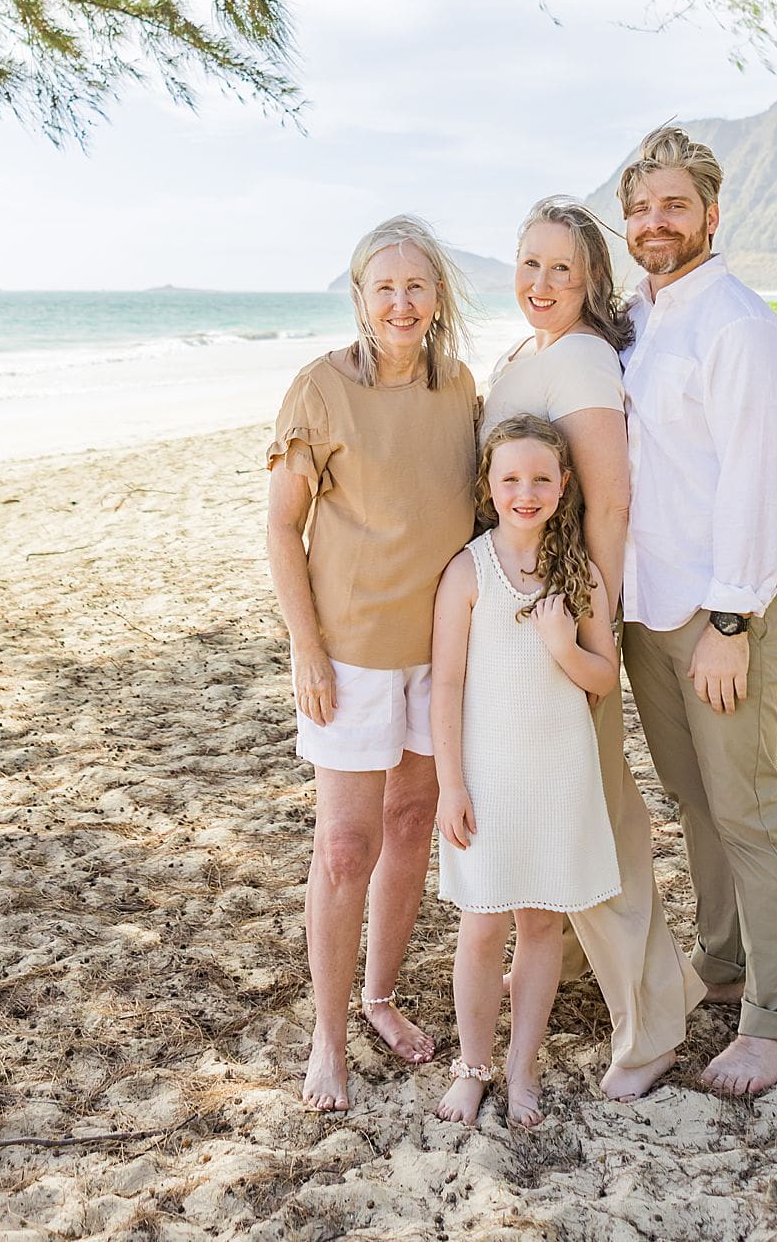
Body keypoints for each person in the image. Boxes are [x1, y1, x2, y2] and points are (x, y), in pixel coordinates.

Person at [481, 198, 704, 1100]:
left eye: (562, 270)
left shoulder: (579, 357)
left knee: (596, 818)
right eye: (530, 264)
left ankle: (652, 1023)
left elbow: (607, 500)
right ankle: (583, 965)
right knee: (573, 804)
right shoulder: (520, 356)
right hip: (518, 620)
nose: (542, 283)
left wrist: (591, 621)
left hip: (567, 618)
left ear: (590, 281)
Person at [265, 215, 477, 1112]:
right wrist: (306, 646)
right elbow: (283, 526)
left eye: (416, 286)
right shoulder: (320, 388)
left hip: (440, 654)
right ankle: (328, 1036)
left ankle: (379, 997)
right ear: (359, 296)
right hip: (348, 655)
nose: (401, 302)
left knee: (412, 821)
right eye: (384, 286)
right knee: (346, 845)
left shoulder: (459, 387)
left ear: (437, 297)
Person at [617, 124, 777, 1098]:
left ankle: (774, 1023)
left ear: (711, 214)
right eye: (641, 208)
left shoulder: (738, 328)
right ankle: (724, 960)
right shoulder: (640, 318)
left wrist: (732, 624)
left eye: (674, 205)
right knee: (695, 801)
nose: (656, 222)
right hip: (648, 608)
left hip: (720, 612)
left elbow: (758, 483)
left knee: (747, 812)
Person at [430, 415, 621, 1127]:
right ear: (488, 485)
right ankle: (472, 1065)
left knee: (540, 923)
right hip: (487, 777)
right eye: (510, 478)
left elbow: (603, 677)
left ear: (564, 484)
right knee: (481, 927)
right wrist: (451, 783)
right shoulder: (468, 571)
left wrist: (563, 646)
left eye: (541, 477)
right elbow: (447, 685)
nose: (526, 492)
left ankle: (522, 1066)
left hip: (557, 774)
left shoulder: (579, 573)